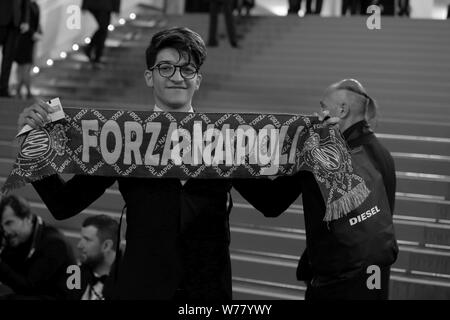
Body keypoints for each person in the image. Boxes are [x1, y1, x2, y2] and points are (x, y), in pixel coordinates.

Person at [17, 27, 262, 300]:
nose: (177, 77)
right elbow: (64, 205)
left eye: (187, 69)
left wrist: (314, 146)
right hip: (142, 290)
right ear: (149, 76)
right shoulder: (121, 138)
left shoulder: (227, 140)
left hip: (208, 294)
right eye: (166, 67)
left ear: (198, 79)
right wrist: (32, 147)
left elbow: (270, 203)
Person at [235, 79, 397, 300]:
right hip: (375, 280)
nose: (318, 113)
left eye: (323, 106)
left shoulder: (322, 155)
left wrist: (231, 163)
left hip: (336, 286)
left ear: (342, 109)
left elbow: (271, 202)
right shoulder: (382, 155)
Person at [0, 194, 75, 300]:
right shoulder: (18, 239)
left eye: (9, 223)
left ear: (28, 218)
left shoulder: (54, 243)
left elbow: (30, 287)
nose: (6, 231)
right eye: (2, 226)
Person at [73, 215, 119, 300]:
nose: (79, 245)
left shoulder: (129, 283)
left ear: (106, 246)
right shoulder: (76, 273)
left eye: (87, 240)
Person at [0, 0, 30, 97]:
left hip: (15, 21)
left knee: (8, 58)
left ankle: (3, 89)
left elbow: (26, 2)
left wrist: (25, 20)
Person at [14, 0, 42, 99]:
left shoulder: (35, 5)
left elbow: (37, 23)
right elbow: (24, 22)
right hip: (23, 39)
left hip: (30, 41)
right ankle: (27, 90)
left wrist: (38, 33)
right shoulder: (24, 5)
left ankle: (19, 89)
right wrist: (32, 33)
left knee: (27, 66)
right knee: (23, 66)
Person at [81, 0, 121, 68]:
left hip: (101, 5)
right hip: (102, 6)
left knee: (103, 30)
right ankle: (95, 55)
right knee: (103, 30)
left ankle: (92, 51)